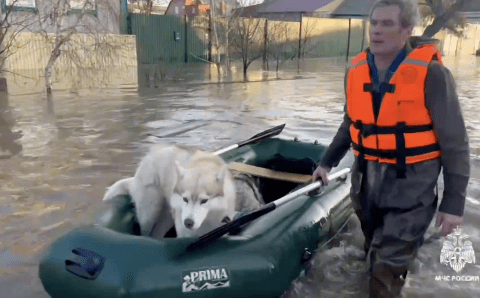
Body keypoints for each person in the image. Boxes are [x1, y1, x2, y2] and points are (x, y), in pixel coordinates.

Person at [312, 0, 470, 297]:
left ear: (407, 29)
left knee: (387, 265)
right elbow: (351, 123)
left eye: (387, 24)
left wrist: (453, 204)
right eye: (374, 23)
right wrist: (326, 163)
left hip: (412, 184)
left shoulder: (433, 75)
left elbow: (456, 144)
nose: (377, 31)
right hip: (366, 181)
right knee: (371, 250)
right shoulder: (356, 70)